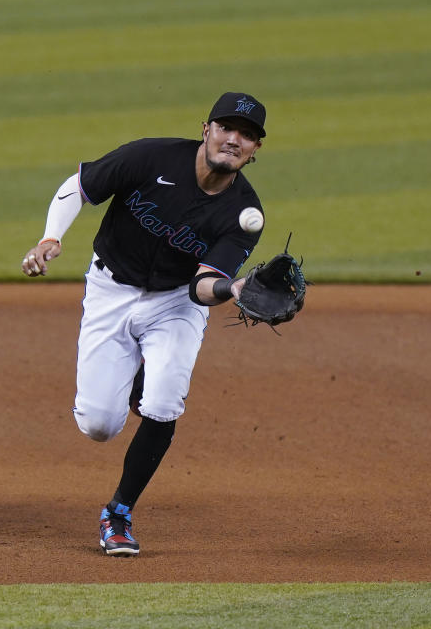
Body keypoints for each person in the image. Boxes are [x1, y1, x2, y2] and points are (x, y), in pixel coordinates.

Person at [20, 92, 267, 556]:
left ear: (255, 150)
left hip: (176, 303)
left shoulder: (243, 214)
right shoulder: (150, 156)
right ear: (206, 128)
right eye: (227, 127)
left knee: (163, 402)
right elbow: (80, 185)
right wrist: (52, 236)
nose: (234, 139)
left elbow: (202, 287)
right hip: (111, 290)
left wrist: (232, 290)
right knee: (99, 426)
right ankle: (135, 373)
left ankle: (118, 513)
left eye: (248, 135)